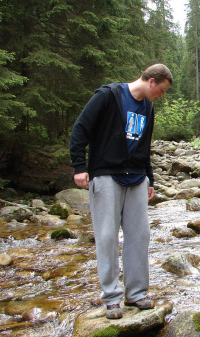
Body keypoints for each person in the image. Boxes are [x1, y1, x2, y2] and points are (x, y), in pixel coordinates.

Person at [69, 64, 173, 319]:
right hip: (105, 174)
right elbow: (80, 130)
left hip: (136, 177)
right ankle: (112, 298)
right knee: (106, 237)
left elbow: (144, 145)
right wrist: (79, 167)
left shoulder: (148, 107)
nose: (161, 96)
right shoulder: (109, 95)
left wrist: (150, 178)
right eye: (161, 90)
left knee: (140, 235)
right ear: (151, 81)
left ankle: (136, 294)